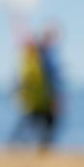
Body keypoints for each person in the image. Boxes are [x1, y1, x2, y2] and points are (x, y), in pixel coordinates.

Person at [10, 21, 62, 150]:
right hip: (39, 99)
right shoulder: (39, 54)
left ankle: (38, 146)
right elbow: (51, 79)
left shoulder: (43, 53)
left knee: (39, 124)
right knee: (32, 124)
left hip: (40, 98)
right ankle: (18, 145)